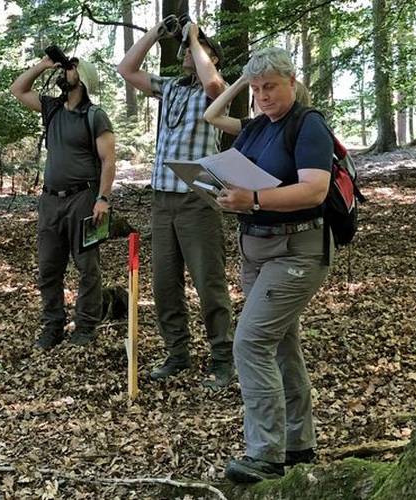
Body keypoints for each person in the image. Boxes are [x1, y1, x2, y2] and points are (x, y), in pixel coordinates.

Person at [214, 47, 334, 483]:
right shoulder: (257, 128)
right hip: (256, 250)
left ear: (292, 82)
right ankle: (300, 445)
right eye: (257, 88)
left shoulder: (308, 125)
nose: (263, 96)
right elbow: (214, 118)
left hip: (297, 251)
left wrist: (256, 200)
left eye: (270, 86)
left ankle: (266, 453)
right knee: (280, 345)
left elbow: (315, 191)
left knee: (249, 342)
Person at [117, 18, 234, 388]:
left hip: (198, 197)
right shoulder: (170, 88)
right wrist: (157, 33)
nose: (187, 52)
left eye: (194, 50)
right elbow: (126, 69)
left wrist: (196, 37)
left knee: (208, 281)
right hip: (163, 198)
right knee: (165, 283)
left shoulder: (218, 91)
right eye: (186, 48)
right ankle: (178, 353)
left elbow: (213, 82)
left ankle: (222, 358)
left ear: (210, 57)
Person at [10, 54, 116, 349]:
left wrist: (103, 199)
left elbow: (109, 161)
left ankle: (84, 327)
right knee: (48, 268)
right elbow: (18, 90)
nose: (65, 71)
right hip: (50, 201)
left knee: (88, 267)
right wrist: (44, 64)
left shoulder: (95, 116)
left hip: (84, 199)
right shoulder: (52, 108)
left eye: (71, 68)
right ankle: (53, 325)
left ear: (80, 78)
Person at [203, 75, 311, 135]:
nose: (262, 98)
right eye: (256, 92)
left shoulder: (305, 129)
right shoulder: (255, 126)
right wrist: (243, 80)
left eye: (270, 89)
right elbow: (211, 116)